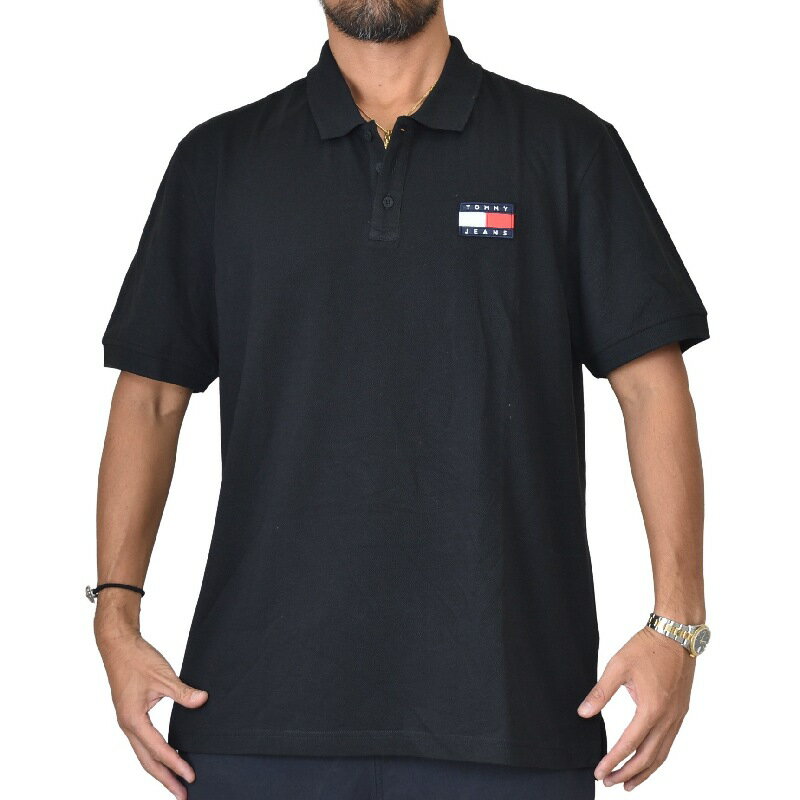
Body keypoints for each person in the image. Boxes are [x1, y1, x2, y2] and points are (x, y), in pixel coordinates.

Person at [89, 1, 711, 798]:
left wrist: (678, 626)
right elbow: (151, 396)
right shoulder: (220, 161)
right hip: (254, 715)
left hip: (511, 713)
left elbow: (651, 387)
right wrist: (115, 617)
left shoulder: (565, 148)